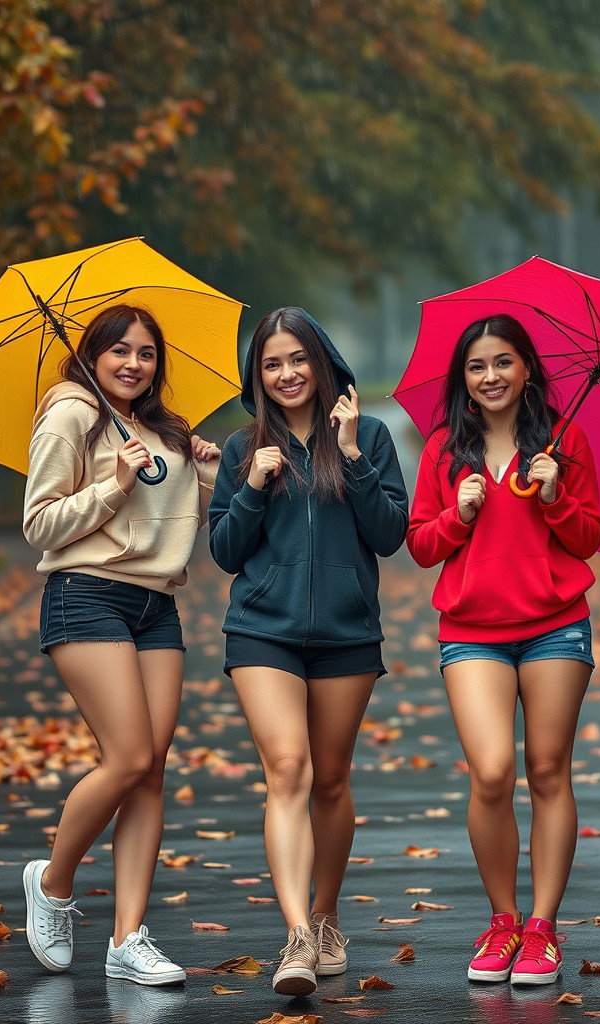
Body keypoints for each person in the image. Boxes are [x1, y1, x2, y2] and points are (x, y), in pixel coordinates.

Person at [208, 307, 408, 996]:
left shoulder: (371, 437)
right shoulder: (242, 450)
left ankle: (324, 916)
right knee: (288, 767)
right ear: (256, 376)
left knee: (330, 779)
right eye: (272, 363)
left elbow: (390, 536)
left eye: (298, 359)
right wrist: (255, 488)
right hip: (262, 628)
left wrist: (351, 458)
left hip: (348, 635)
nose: (287, 373)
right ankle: (296, 936)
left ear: (322, 364)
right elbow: (225, 551)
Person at [21, 303, 220, 985]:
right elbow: (41, 523)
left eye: (146, 353)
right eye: (120, 351)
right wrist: (114, 485)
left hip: (156, 604)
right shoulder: (71, 414)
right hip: (86, 594)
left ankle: (127, 939)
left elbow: (192, 518)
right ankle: (52, 883)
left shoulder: (161, 429)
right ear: (92, 356)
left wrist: (209, 466)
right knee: (129, 755)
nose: (135, 363)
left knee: (152, 767)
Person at [406, 313, 600, 987]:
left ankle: (542, 930)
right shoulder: (442, 449)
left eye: (503, 362)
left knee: (549, 770)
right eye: (476, 366)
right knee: (490, 772)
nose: (490, 376)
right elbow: (421, 546)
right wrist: (455, 514)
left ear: (527, 369)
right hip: (472, 631)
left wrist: (555, 497)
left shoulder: (562, 438)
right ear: (464, 378)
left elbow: (588, 536)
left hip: (556, 624)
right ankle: (502, 920)